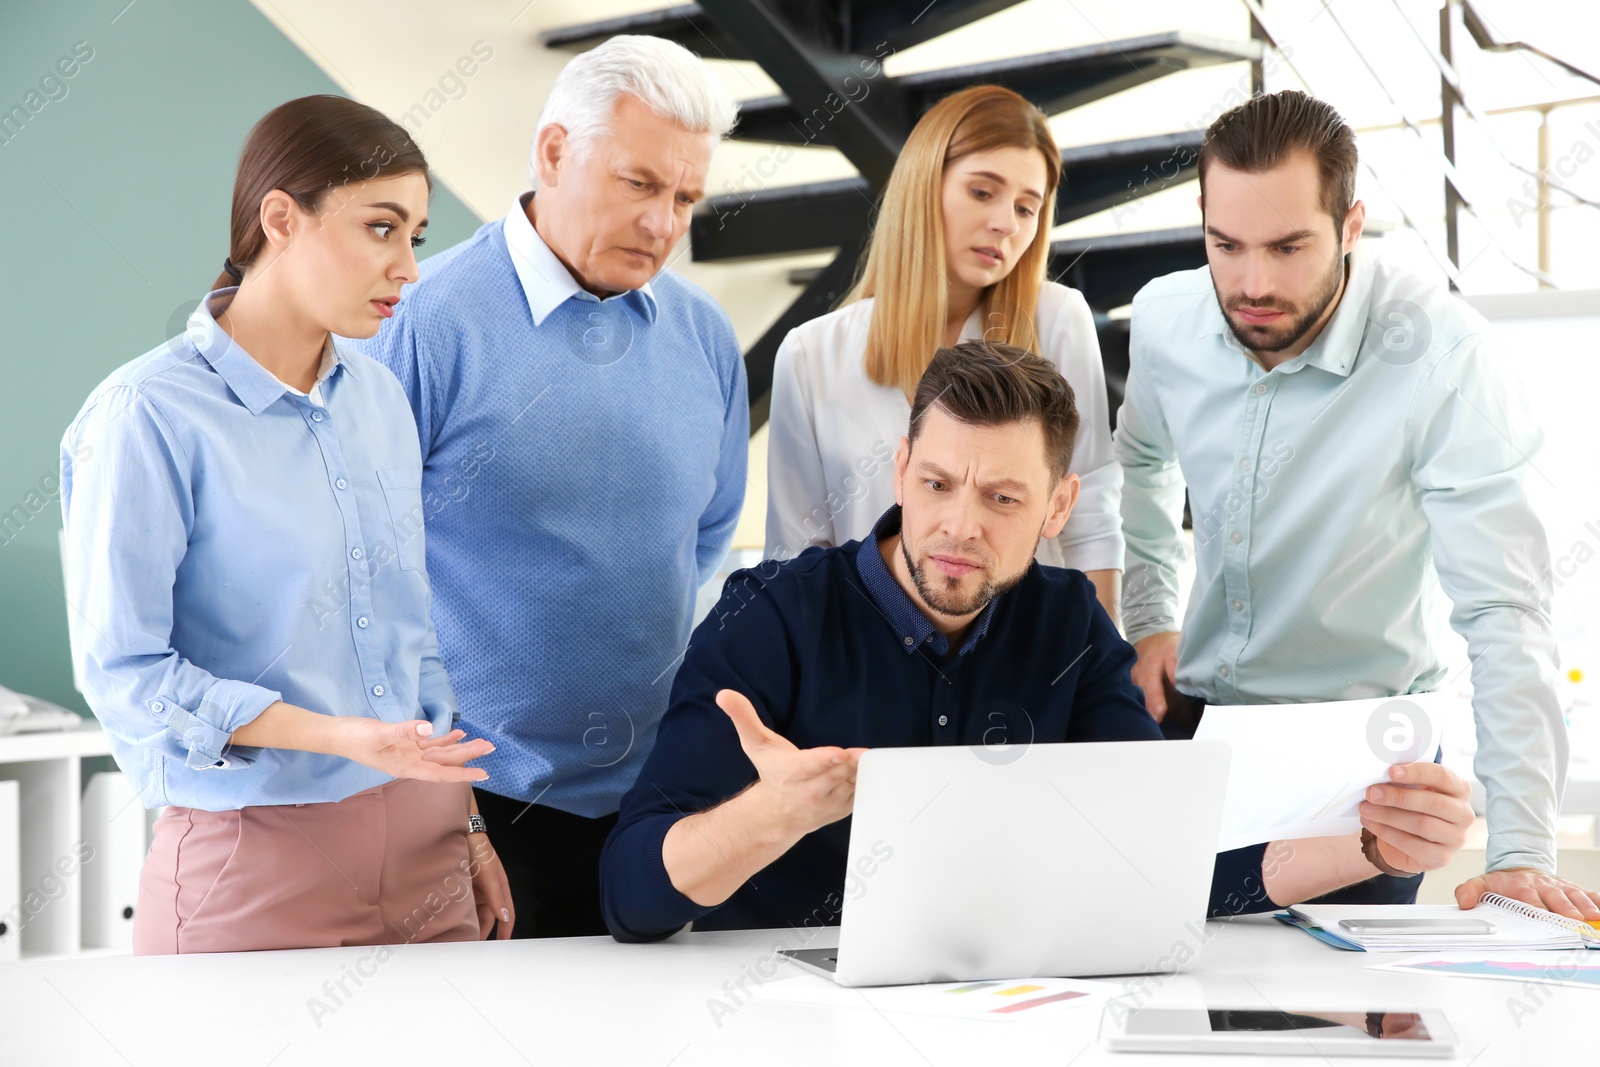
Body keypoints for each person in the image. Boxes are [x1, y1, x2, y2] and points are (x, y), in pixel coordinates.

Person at [599, 342, 1474, 942]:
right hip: (780, 1017)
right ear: (900, 469)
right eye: (938, 483)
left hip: (998, 1012)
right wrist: (771, 814)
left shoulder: (1068, 625)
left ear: (1059, 507)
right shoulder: (772, 616)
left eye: (1004, 500)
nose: (958, 525)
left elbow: (1162, 861)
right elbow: (631, 896)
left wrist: (1367, 847)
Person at [1115, 89, 1600, 921]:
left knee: (1341, 1027)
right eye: (1225, 245)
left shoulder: (1444, 354)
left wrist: (1520, 851)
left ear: (1349, 226)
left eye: (1289, 246)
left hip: (1360, 767)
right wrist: (1151, 611)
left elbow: (1504, 607)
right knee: (1164, 996)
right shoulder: (1164, 318)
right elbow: (1143, 461)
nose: (1254, 282)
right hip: (1192, 732)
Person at [60, 95, 512, 954]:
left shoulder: (379, 396)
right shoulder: (146, 415)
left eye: (416, 235)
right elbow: (128, 670)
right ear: (281, 218)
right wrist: (342, 735)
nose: (409, 268)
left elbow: (414, 643)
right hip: (255, 857)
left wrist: (470, 824)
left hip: (430, 848)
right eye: (382, 228)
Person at [352, 36, 747, 938]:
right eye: (640, 184)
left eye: (686, 198)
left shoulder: (705, 338)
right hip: (474, 816)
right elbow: (361, 582)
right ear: (555, 152)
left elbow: (704, 536)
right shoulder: (422, 325)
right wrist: (445, 804)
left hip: (656, 810)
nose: (663, 223)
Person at [765, 85, 1125, 623]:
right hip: (869, 662)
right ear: (922, 187)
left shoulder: (1059, 319)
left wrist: (1094, 675)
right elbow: (798, 555)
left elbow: (1092, 514)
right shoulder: (811, 354)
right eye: (983, 192)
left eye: (1027, 208)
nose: (1007, 223)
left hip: (1024, 659)